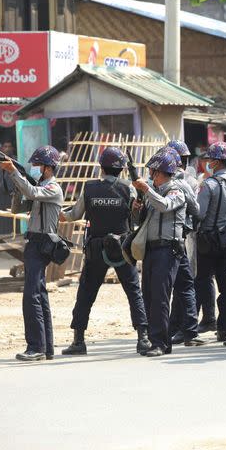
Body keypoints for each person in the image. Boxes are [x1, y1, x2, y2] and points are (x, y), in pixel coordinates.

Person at [60, 147, 149, 356]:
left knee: (86, 294)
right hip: (123, 249)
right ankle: (143, 338)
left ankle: (78, 341)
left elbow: (73, 214)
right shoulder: (130, 189)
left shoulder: (90, 188)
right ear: (122, 170)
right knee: (134, 293)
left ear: (101, 167)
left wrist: (56, 214)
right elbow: (137, 218)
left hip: (96, 250)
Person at [0, 145, 64, 362]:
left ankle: (36, 346)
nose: (35, 169)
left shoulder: (53, 188)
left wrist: (14, 172)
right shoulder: (40, 185)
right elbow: (17, 207)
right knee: (40, 294)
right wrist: (16, 180)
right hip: (34, 243)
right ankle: (46, 347)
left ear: (47, 168)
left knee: (31, 296)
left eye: (38, 166)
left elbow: (32, 192)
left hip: (42, 245)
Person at [131, 148, 188, 357]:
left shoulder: (176, 191)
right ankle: (155, 339)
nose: (151, 175)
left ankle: (161, 342)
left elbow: (165, 206)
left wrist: (146, 190)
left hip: (168, 248)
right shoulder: (151, 193)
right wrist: (136, 207)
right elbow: (139, 220)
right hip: (151, 249)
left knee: (160, 296)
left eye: (154, 171)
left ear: (162, 172)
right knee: (148, 295)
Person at [163, 141, 205, 348]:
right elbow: (196, 210)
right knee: (184, 284)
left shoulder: (160, 179)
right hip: (184, 236)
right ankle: (181, 328)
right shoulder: (188, 180)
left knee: (178, 285)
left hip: (177, 237)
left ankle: (177, 328)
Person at [196, 141, 226, 342]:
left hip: (209, 240)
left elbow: (200, 213)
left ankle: (210, 318)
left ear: (215, 161)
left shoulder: (209, 184)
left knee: (204, 280)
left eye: (209, 159)